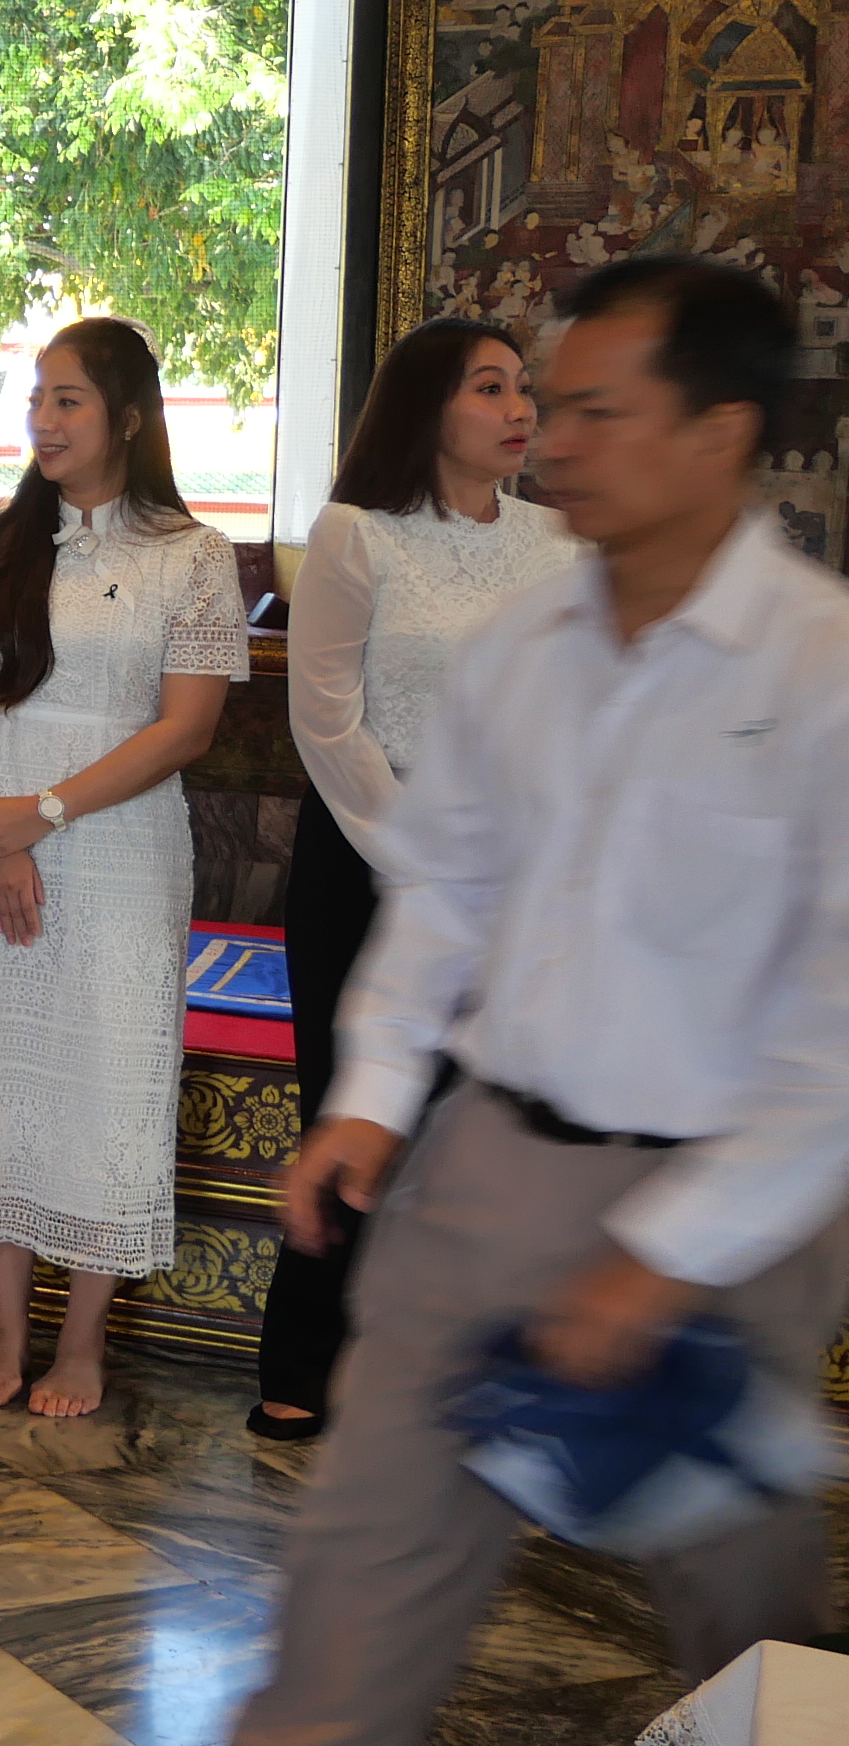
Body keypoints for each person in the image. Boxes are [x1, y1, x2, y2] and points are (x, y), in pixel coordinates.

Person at [99, 258, 849, 1746]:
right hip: (490, 1154)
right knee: (371, 1523)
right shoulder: (529, 650)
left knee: (740, 1596)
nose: (554, 442)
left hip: (723, 1204)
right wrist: (367, 1099)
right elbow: (441, 893)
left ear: (718, 434)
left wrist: (666, 1256)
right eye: (544, 404)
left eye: (595, 409)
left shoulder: (816, 671)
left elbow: (832, 1035)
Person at [0, 317, 241, 1418]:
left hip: (114, 847)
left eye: (68, 400)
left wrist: (40, 815)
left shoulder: (191, 557)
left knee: (106, 1072)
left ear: (129, 418)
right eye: (36, 399)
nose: (42, 420)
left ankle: (84, 1338)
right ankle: (6, 1325)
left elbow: (185, 728)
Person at [257, 316, 571, 1440]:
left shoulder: (558, 543)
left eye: (524, 386)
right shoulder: (356, 532)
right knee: (355, 1106)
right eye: (490, 386)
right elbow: (327, 725)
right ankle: (308, 1353)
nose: (518, 406)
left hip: (512, 876)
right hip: (367, 858)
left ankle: (457, 1376)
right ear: (428, 407)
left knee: (480, 1123)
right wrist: (428, 870)